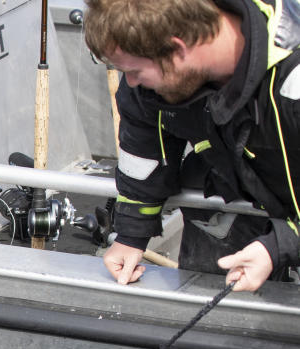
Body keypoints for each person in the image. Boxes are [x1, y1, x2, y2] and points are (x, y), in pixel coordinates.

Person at [84, 0, 300, 292]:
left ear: (178, 48)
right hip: (234, 189)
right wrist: (131, 234)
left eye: (135, 71)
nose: (131, 82)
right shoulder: (154, 78)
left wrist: (279, 245)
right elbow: (144, 138)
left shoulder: (293, 79)